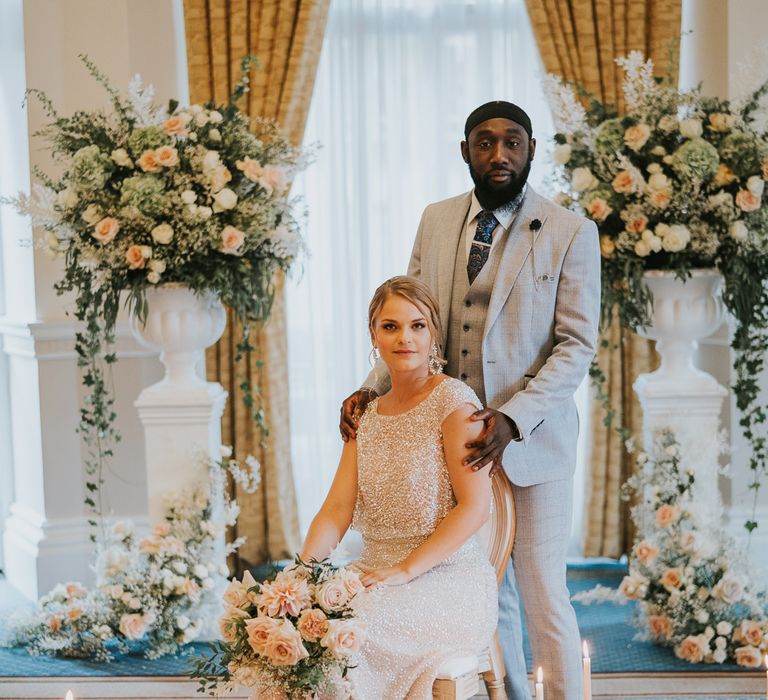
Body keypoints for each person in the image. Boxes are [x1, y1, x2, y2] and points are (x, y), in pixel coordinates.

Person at [340, 101, 600, 699]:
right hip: (443, 438)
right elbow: (411, 316)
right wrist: (370, 388)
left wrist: (513, 417)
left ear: (531, 149)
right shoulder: (436, 220)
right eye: (485, 143)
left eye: (512, 142)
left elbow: (576, 345)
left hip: (534, 441)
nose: (499, 154)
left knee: (540, 588)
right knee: (483, 585)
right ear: (466, 152)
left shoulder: (570, 231)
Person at [301, 276, 498, 699]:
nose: (404, 337)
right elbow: (336, 509)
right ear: (373, 334)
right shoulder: (365, 414)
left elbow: (475, 507)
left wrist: (406, 570)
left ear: (433, 334)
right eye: (390, 326)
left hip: (446, 580)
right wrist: (303, 574)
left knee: (350, 635)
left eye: (417, 325)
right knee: (310, 626)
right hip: (375, 575)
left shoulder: (455, 403)